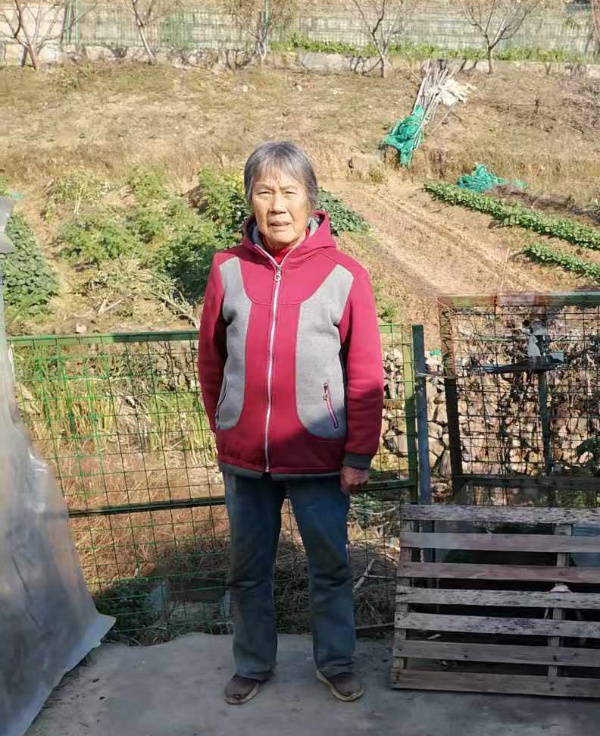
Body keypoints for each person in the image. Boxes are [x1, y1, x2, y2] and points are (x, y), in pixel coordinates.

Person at [198, 141, 383, 705]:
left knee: (329, 566)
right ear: (250, 200)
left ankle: (336, 662)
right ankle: (253, 663)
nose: (277, 205)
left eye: (288, 191)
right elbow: (210, 360)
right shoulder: (227, 269)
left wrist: (358, 454)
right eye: (264, 192)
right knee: (247, 570)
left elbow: (364, 371)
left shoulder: (346, 275)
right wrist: (225, 424)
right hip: (246, 459)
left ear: (311, 200)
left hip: (319, 455)